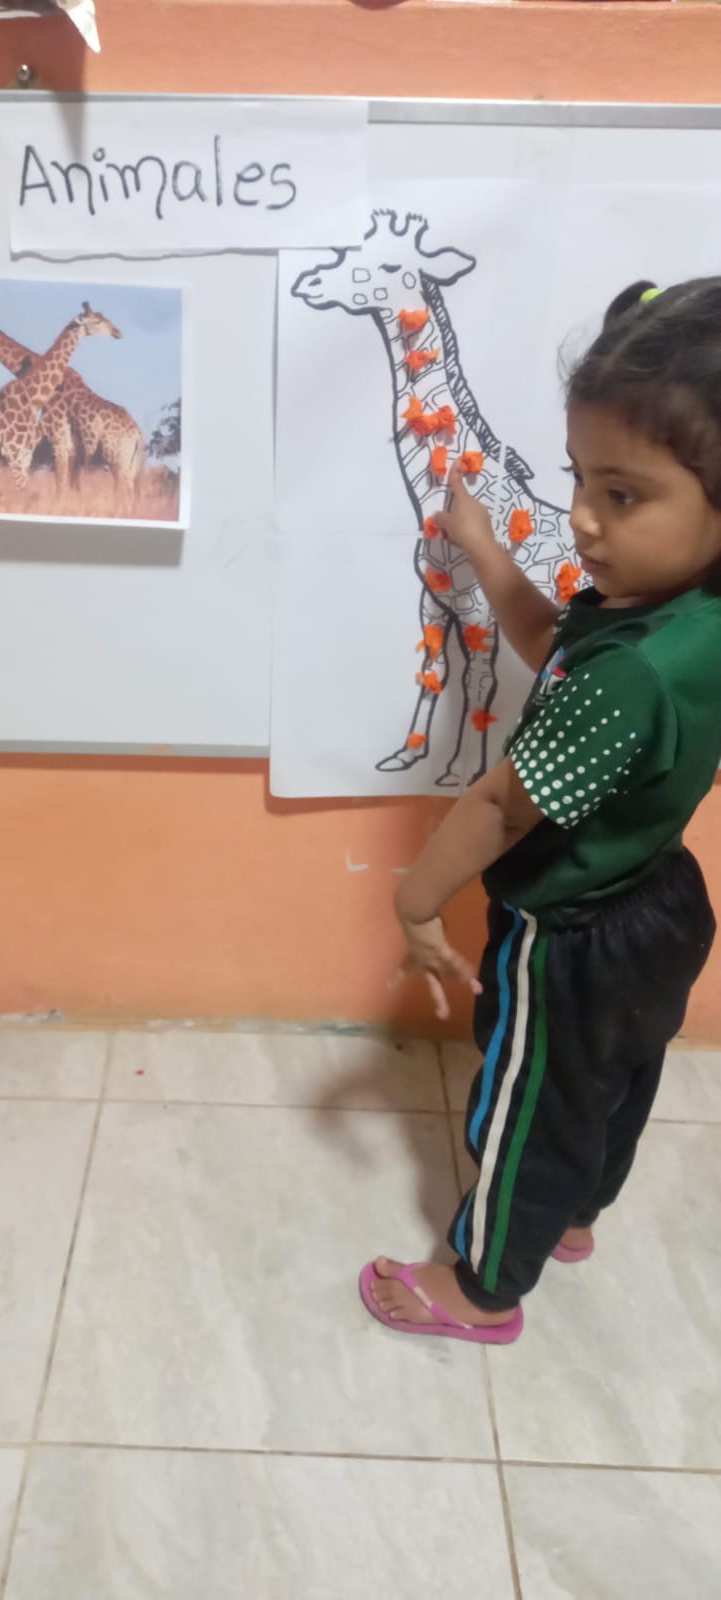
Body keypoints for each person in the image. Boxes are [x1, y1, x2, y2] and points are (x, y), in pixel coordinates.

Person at [360, 279, 721, 1344]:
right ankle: (575, 1216)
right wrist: (484, 549)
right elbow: (552, 646)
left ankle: (479, 1292)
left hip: (570, 933)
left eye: (624, 494)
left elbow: (501, 805)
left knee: (526, 1108)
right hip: (658, 900)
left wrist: (416, 902)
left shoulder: (631, 675)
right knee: (615, 1078)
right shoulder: (680, 616)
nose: (583, 517)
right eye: (578, 478)